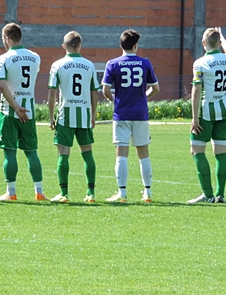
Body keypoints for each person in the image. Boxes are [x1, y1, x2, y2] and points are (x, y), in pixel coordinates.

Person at [101, 29, 159, 203]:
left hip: (122, 113)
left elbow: (105, 89)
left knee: (121, 153)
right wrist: (144, 97)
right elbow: (155, 88)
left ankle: (122, 193)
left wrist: (113, 100)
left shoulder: (112, 63)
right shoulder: (145, 63)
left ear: (121, 45)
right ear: (135, 45)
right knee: (143, 153)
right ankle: (147, 193)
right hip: (140, 113)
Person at [0, 22, 46, 202]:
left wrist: (16, 106)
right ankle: (39, 191)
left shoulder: (3, 59)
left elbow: (2, 86)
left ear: (7, 38)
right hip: (29, 110)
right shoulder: (35, 57)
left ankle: (11, 192)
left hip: (9, 110)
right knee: (31, 152)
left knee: (9, 152)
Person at [48, 31, 100, 203]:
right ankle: (90, 193)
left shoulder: (57, 65)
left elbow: (52, 92)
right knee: (87, 153)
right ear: (79, 46)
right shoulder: (89, 65)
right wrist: (93, 115)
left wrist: (50, 116)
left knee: (63, 153)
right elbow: (94, 92)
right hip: (84, 115)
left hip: (65, 115)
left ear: (64, 46)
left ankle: (64, 194)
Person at [189, 27, 226, 203]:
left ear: (203, 43)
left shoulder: (200, 63)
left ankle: (208, 195)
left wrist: (194, 118)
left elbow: (196, 91)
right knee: (221, 153)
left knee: (197, 150)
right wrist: (222, 36)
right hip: (224, 111)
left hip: (205, 113)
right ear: (219, 43)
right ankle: (220, 194)